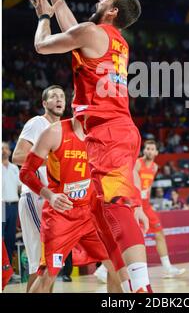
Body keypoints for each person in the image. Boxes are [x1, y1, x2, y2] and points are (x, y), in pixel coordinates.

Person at [30, 0, 151, 293]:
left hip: (108, 133)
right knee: (102, 216)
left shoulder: (91, 32)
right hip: (116, 131)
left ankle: (143, 290)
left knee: (115, 208)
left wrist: (44, 16)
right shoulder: (115, 40)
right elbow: (76, 31)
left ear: (112, 11)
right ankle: (130, 289)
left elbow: (42, 46)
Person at [19, 116, 129, 293]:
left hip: (91, 214)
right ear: (75, 106)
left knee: (117, 267)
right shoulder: (54, 132)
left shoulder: (101, 135)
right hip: (61, 215)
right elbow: (26, 173)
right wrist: (50, 195)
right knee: (47, 276)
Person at [12, 85, 66, 292]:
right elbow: (17, 156)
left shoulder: (63, 129)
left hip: (53, 199)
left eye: (61, 96)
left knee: (50, 262)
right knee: (40, 261)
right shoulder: (37, 123)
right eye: (53, 96)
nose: (59, 99)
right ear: (44, 103)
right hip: (35, 196)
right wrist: (51, 157)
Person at [133, 140, 186, 278]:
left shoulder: (155, 167)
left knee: (159, 234)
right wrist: (137, 197)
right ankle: (103, 270)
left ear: (156, 152)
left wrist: (146, 198)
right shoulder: (137, 163)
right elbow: (133, 183)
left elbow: (148, 187)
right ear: (144, 150)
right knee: (133, 239)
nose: (149, 151)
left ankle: (168, 268)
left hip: (146, 206)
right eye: (147, 148)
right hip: (135, 206)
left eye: (152, 149)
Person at [2, 142, 21, 277]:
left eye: (6, 148)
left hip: (14, 205)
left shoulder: (15, 168)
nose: (4, 150)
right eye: (1, 148)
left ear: (10, 151)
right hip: (1, 206)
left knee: (10, 239)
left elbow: (20, 187)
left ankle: (8, 271)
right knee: (1, 239)